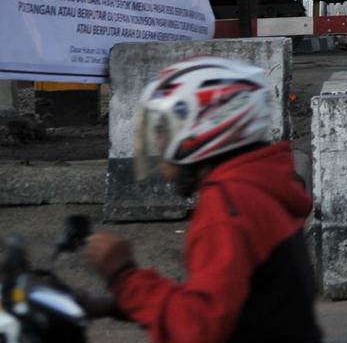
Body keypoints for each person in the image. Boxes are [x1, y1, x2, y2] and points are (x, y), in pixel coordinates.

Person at [85, 57, 323, 343]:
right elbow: (229, 299)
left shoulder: (227, 207)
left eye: (163, 131)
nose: (159, 149)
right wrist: (117, 305)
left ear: (200, 131)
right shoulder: (259, 188)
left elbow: (198, 328)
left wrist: (123, 276)